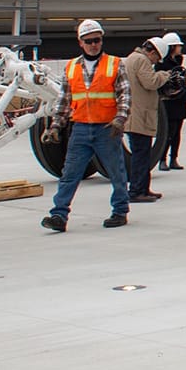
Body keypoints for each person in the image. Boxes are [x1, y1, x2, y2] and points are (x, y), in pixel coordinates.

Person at [40, 19, 130, 234]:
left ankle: (120, 210)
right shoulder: (71, 67)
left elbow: (125, 95)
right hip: (80, 128)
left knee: (116, 172)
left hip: (107, 128)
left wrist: (120, 119)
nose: (93, 45)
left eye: (97, 40)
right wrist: (55, 126)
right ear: (80, 42)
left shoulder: (115, 64)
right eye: (88, 41)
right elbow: (64, 100)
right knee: (70, 173)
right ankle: (58, 215)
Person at [124, 37, 166, 204]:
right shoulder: (141, 60)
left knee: (141, 154)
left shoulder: (132, 58)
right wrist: (164, 75)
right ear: (153, 52)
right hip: (138, 116)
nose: (156, 62)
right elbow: (150, 82)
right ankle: (136, 191)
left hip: (135, 115)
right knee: (141, 155)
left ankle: (142, 188)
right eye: (157, 58)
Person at [159, 32, 186, 168]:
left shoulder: (178, 62)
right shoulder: (162, 64)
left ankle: (174, 159)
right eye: (178, 45)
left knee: (177, 133)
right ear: (172, 47)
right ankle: (162, 159)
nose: (180, 48)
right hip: (169, 103)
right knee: (169, 132)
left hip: (180, 102)